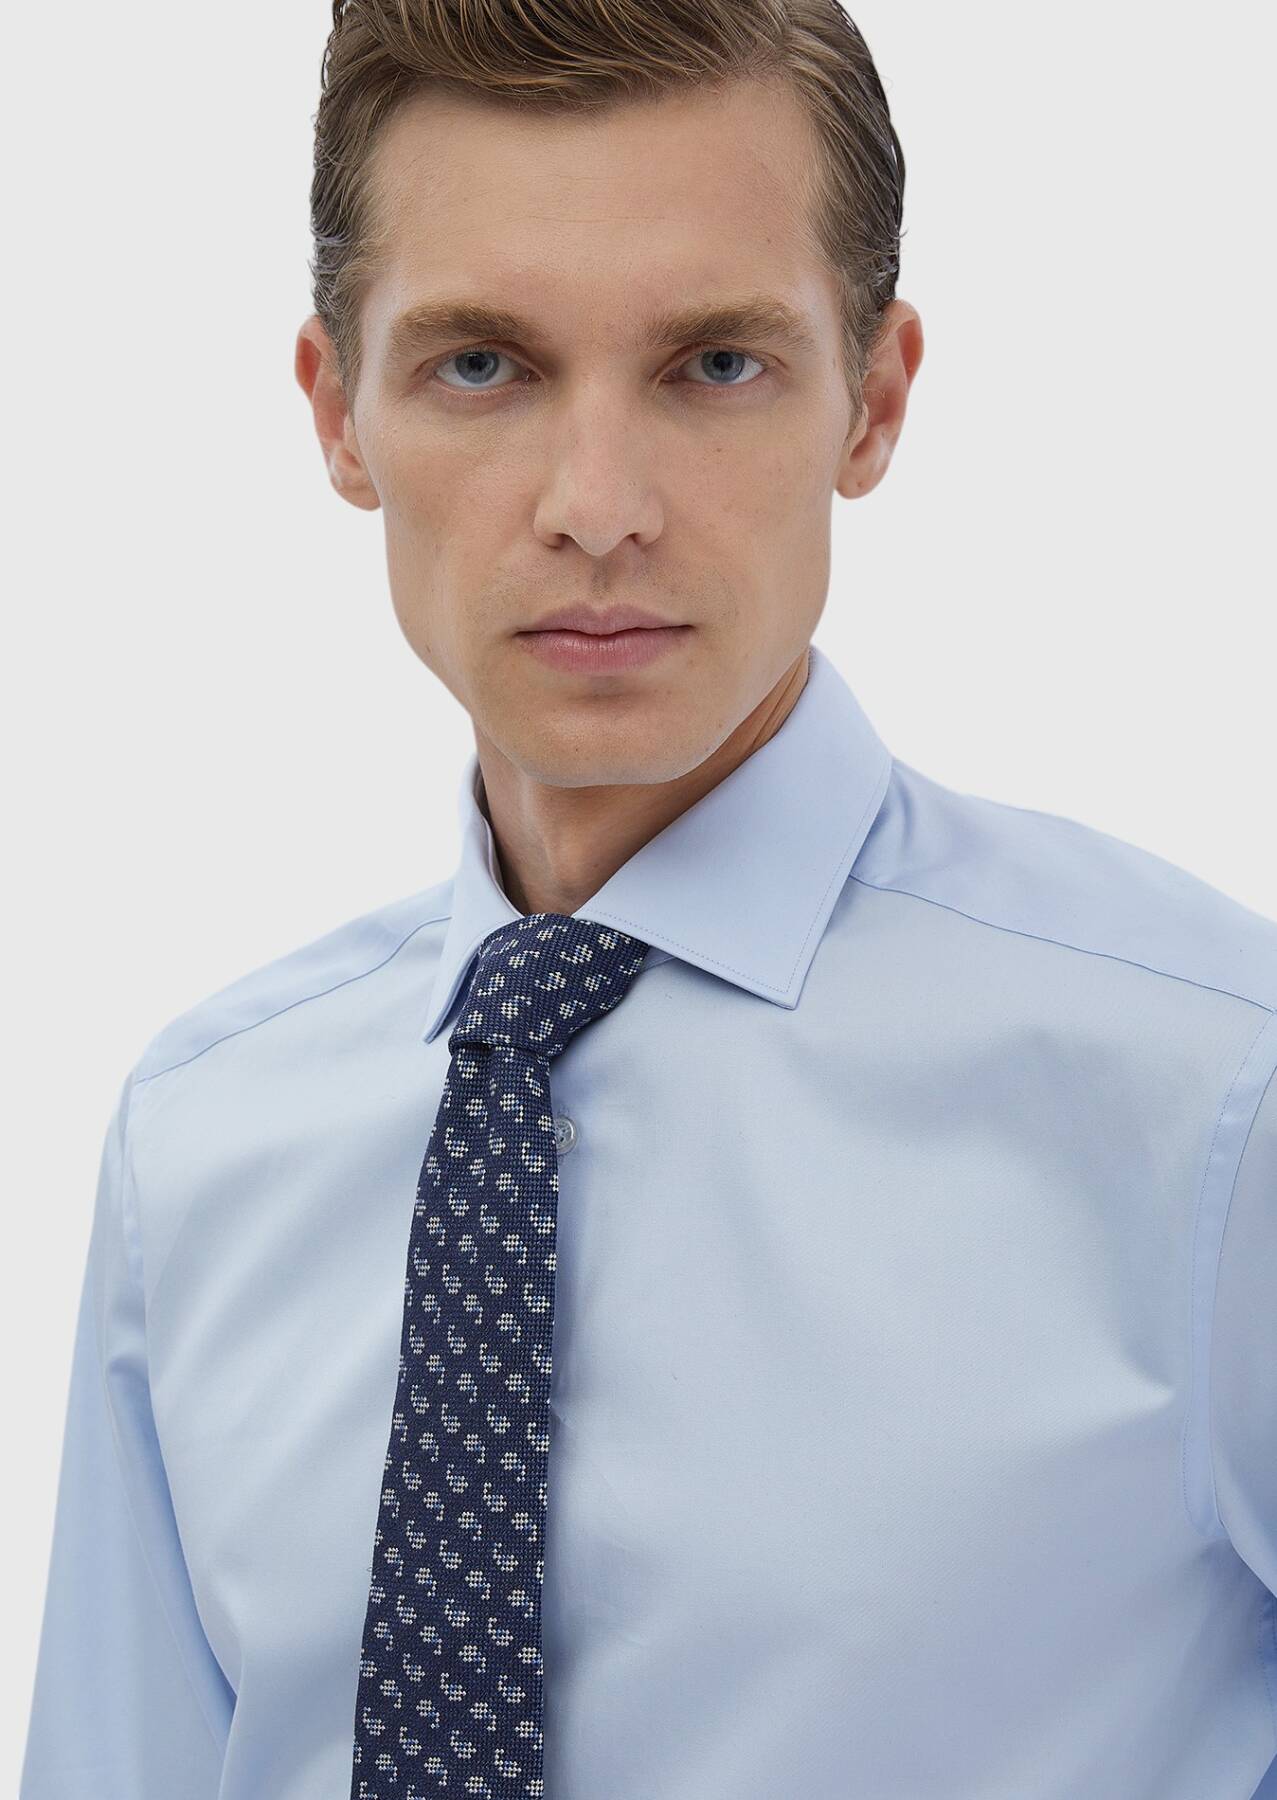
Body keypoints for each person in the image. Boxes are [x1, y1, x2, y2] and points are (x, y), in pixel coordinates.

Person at [19, 2, 1277, 1796]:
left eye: (714, 366)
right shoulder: (202, 1140)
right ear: (336, 412)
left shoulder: (1215, 1104)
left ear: (874, 398)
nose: (597, 508)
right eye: (481, 365)